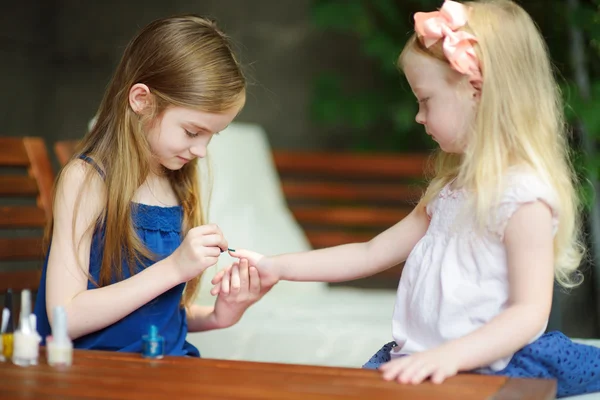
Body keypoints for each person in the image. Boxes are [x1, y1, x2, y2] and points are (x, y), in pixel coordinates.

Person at [211, 1, 600, 396]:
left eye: (426, 100)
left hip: (490, 363)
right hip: (425, 357)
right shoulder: (449, 193)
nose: (418, 115)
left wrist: (451, 357)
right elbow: (370, 252)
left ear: (476, 92)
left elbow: (529, 313)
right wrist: (276, 267)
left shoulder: (522, 198)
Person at [33, 15, 264, 357]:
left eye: (212, 136)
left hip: (167, 364)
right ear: (141, 100)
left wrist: (217, 317)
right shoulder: (87, 180)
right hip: (97, 371)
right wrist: (174, 268)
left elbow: (155, 313)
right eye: (191, 132)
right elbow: (64, 316)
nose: (201, 150)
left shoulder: (178, 182)